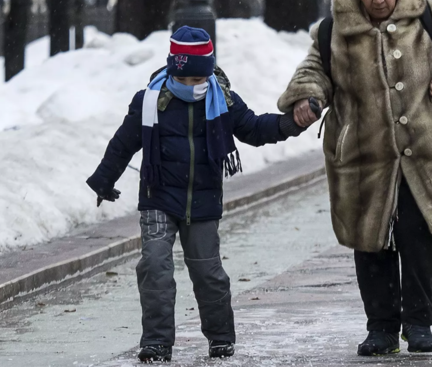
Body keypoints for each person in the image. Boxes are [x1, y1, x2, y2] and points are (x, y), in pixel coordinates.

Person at [278, 0, 432, 356]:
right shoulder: (333, 29)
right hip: (363, 155)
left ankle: (419, 323)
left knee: (419, 232)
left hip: (423, 150)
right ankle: (382, 327)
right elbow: (314, 69)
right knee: (370, 240)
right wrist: (307, 96)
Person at [86, 26, 312, 362]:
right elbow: (123, 144)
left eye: (200, 79)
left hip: (203, 202)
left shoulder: (222, 99)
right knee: (155, 267)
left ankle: (220, 336)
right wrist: (103, 180)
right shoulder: (150, 101)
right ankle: (156, 341)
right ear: (174, 71)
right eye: (187, 79)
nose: (194, 86)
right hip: (158, 198)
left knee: (208, 274)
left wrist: (290, 123)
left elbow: (253, 128)